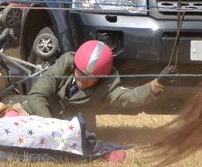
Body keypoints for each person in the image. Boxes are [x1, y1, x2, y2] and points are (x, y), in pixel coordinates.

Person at [21, 40, 172, 132]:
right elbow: (36, 96)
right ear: (74, 65)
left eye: (92, 77)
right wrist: (51, 127)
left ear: (102, 78)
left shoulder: (107, 86)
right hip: (41, 117)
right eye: (81, 72)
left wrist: (158, 84)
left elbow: (129, 98)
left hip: (74, 129)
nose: (84, 79)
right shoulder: (65, 64)